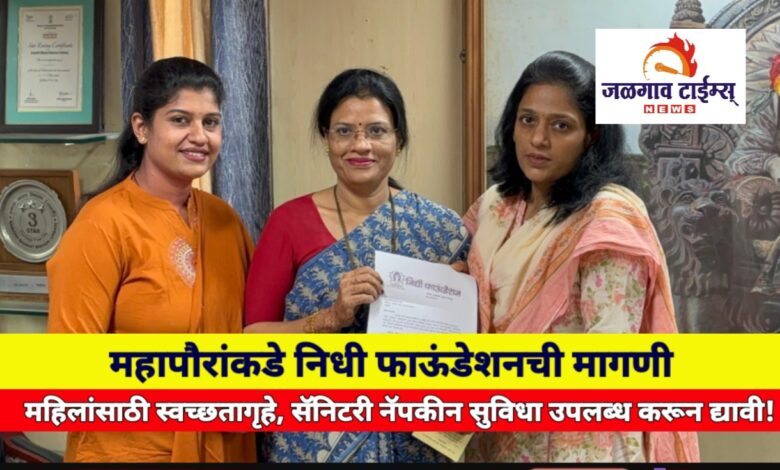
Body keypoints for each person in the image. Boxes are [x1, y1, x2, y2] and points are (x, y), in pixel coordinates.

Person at [462, 51, 700, 463]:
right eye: (528, 120)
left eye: (561, 126)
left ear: (591, 136)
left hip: (578, 441)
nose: (539, 139)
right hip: (493, 433)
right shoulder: (496, 206)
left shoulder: (606, 221)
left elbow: (610, 357)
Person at [244, 68, 469, 462]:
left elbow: (473, 349)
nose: (361, 145)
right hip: (311, 441)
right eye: (344, 131)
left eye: (377, 131)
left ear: (399, 139)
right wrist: (330, 318)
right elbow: (251, 341)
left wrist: (454, 298)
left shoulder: (441, 230)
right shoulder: (289, 223)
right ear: (327, 139)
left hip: (416, 442)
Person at [47, 57, 255, 463]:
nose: (199, 136)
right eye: (180, 120)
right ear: (142, 128)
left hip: (222, 446)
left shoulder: (223, 220)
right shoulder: (102, 225)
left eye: (211, 122)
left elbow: (251, 331)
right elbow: (69, 367)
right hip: (129, 452)